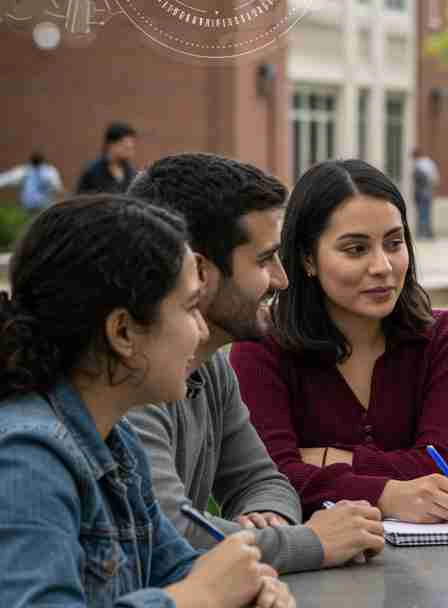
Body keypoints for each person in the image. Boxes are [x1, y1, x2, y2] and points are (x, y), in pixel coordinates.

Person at [0, 195, 294, 607]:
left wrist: (251, 589)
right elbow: (194, 588)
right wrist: (201, 596)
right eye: (191, 307)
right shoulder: (27, 456)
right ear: (122, 331)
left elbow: (176, 567)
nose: (201, 331)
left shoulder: (117, 443)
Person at [126, 153, 386, 574]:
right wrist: (312, 542)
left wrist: (271, 521)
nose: (282, 279)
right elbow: (168, 534)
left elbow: (262, 480)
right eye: (265, 260)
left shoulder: (209, 364)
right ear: (199, 271)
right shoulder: (127, 377)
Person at [231, 159, 448, 523]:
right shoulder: (261, 345)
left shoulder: (443, 337)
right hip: (307, 564)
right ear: (307, 259)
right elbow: (270, 478)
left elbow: (444, 463)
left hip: (428, 565)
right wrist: (387, 494)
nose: (382, 266)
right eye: (356, 249)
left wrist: (328, 458)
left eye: (394, 243)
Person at [76, 122, 138, 194]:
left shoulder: (131, 172)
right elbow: (80, 200)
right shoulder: (92, 172)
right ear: (111, 144)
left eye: (132, 148)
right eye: (126, 147)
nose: (130, 151)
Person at [411, 147, 439, 239]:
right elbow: (435, 179)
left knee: (422, 213)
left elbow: (420, 181)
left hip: (422, 193)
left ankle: (422, 232)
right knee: (426, 213)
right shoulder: (429, 163)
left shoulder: (419, 165)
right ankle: (428, 232)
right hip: (428, 192)